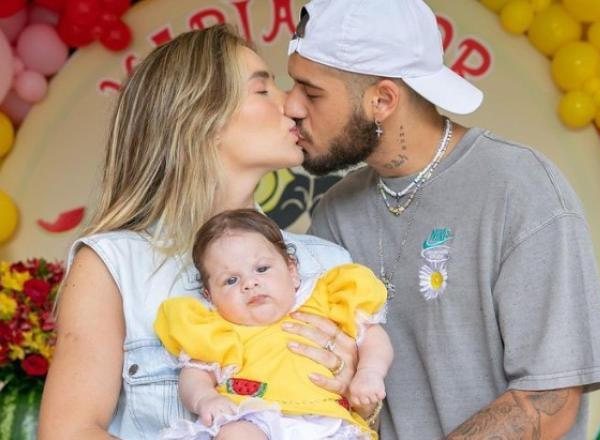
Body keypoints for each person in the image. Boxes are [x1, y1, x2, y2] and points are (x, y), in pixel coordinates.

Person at [284, 0, 600, 438]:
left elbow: (549, 400)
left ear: (382, 100)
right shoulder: (335, 213)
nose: (289, 105)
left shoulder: (518, 188)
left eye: (311, 93)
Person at [39, 24, 366, 440]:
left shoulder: (329, 263)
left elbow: (366, 419)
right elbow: (69, 432)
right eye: (263, 91)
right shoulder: (114, 265)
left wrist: (361, 389)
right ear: (201, 118)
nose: (293, 105)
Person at [154, 208, 393, 439]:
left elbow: (373, 337)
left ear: (291, 271)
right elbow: (194, 375)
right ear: (210, 297)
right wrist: (205, 398)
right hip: (253, 418)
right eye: (231, 280)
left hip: (326, 420)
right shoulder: (218, 329)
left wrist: (369, 372)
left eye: (262, 269)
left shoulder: (325, 298)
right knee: (234, 434)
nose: (250, 283)